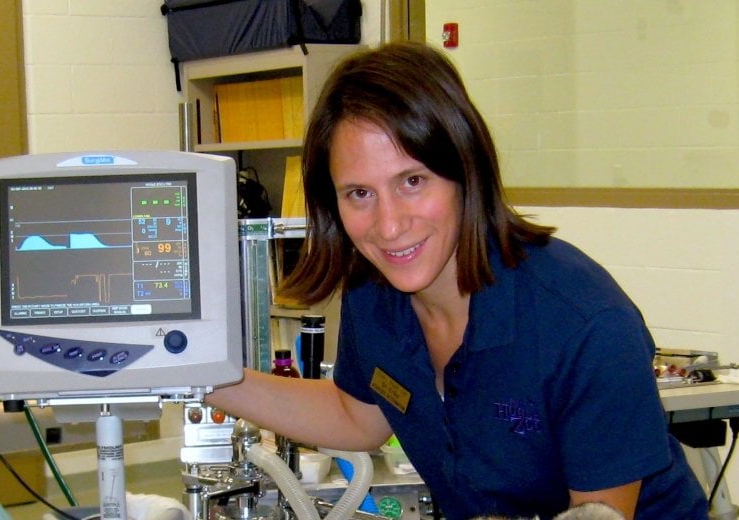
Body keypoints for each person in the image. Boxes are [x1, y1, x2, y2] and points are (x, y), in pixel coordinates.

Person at [205, 41, 707, 519]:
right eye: (359, 193)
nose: (389, 225)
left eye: (412, 181)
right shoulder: (376, 293)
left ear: (466, 170)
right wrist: (195, 372)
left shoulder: (585, 326)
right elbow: (359, 416)